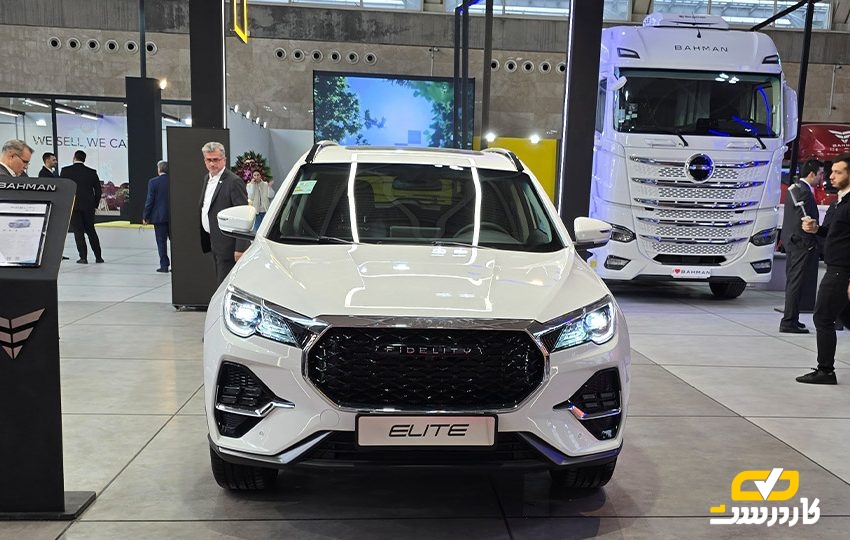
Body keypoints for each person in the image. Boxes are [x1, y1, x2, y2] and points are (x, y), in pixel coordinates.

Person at [796, 153, 850, 385]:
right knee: (844, 316)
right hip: (835, 267)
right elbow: (833, 233)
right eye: (832, 171)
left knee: (823, 317)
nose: (831, 176)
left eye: (838, 172)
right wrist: (816, 229)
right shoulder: (839, 202)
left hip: (842, 271)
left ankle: (825, 371)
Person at [779, 159, 821, 333]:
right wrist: (810, 243)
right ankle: (789, 321)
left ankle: (792, 319)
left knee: (793, 282)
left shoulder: (796, 189)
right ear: (811, 174)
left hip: (792, 243)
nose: (822, 177)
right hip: (800, 245)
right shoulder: (804, 192)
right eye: (820, 174)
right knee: (795, 283)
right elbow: (804, 222)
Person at [198, 142, 249, 284]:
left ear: (224, 160)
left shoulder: (234, 182)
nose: (212, 164)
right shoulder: (207, 178)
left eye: (216, 160)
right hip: (214, 242)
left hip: (229, 246)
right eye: (209, 160)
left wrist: (240, 248)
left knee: (225, 285)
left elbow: (243, 214)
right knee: (220, 282)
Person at [60, 150, 104, 264]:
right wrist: (94, 204)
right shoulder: (91, 172)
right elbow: (98, 191)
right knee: (91, 231)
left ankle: (83, 257)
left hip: (73, 206)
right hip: (88, 207)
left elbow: (62, 189)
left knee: (78, 232)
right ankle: (98, 257)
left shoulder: (65, 171)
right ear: (84, 159)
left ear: (74, 157)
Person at [143, 160, 171, 273]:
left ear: (159, 169)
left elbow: (150, 200)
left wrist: (146, 215)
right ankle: (177, 265)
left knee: (161, 242)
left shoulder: (153, 182)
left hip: (159, 217)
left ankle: (164, 265)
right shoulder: (172, 180)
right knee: (175, 242)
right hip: (173, 216)